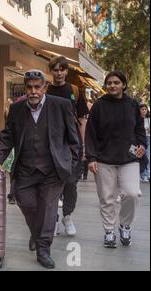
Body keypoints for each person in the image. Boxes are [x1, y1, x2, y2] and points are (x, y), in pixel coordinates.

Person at [0, 69, 79, 269]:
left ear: (44, 88)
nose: (33, 91)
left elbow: (74, 139)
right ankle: (37, 234)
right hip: (25, 169)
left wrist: (72, 165)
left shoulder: (61, 105)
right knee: (26, 202)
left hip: (53, 170)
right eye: (29, 87)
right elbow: (7, 137)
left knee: (47, 208)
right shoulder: (16, 109)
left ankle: (43, 249)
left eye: (37, 87)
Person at [85, 71, 146, 248]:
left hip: (129, 158)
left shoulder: (133, 104)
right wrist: (91, 157)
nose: (112, 86)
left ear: (123, 85)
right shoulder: (98, 105)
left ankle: (125, 225)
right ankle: (109, 231)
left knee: (132, 194)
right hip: (104, 159)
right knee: (107, 197)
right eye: (109, 83)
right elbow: (90, 133)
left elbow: (139, 129)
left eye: (116, 82)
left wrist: (142, 144)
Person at [47, 56, 89, 236]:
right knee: (51, 183)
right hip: (50, 143)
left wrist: (84, 144)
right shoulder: (45, 90)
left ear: (66, 71)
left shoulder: (75, 90)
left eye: (62, 69)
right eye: (55, 69)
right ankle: (53, 218)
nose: (58, 73)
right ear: (51, 71)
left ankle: (67, 216)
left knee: (71, 183)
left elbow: (82, 119)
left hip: (72, 143)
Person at [139, 104, 150, 182]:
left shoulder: (148, 119)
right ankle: (142, 174)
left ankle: (147, 174)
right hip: (140, 140)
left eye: (145, 109)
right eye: (142, 109)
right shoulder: (137, 119)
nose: (144, 111)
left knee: (148, 157)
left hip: (148, 138)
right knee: (140, 157)